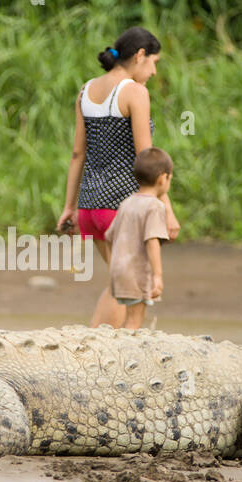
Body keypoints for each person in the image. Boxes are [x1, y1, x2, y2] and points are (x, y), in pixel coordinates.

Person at [57, 26, 180, 328]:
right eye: (154, 62)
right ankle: (106, 352)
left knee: (118, 279)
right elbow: (146, 158)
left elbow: (77, 154)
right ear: (140, 56)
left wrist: (70, 207)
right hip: (122, 207)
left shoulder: (85, 91)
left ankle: (94, 346)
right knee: (129, 286)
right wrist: (167, 210)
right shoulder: (135, 92)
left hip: (90, 206)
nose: (153, 72)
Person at [105, 148, 173, 329]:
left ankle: (121, 350)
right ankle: (124, 355)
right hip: (137, 272)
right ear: (162, 178)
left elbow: (109, 236)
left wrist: (117, 264)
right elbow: (152, 241)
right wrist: (157, 276)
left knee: (130, 316)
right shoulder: (155, 206)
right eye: (169, 178)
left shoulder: (126, 203)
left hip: (119, 271)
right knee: (135, 319)